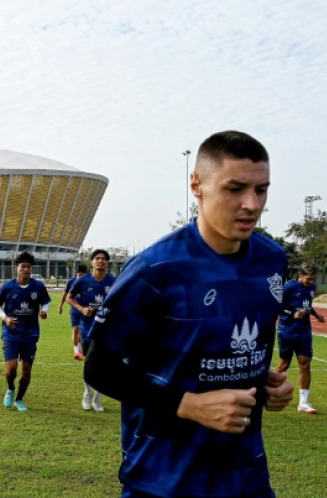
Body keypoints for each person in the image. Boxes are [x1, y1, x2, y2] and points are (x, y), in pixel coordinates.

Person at [84, 130, 294, 498]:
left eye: (261, 190)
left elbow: (240, 348)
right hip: (162, 478)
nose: (252, 204)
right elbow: (99, 367)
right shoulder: (156, 268)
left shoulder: (271, 260)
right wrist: (188, 404)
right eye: (235, 188)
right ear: (197, 185)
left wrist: (266, 383)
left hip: (245, 476)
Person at [0, 251, 51, 412]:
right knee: (11, 368)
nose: (26, 269)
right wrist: (5, 318)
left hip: (30, 333)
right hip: (11, 333)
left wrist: (44, 311)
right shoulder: (7, 287)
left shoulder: (38, 286)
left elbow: (45, 302)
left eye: (29, 267)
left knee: (26, 369)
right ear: (16, 268)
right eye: (23, 266)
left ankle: (19, 399)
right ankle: (10, 388)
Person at [65, 249, 115, 412]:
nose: (100, 261)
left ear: (107, 263)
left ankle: (97, 399)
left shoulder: (113, 281)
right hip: (87, 329)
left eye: (103, 259)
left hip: (106, 330)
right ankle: (87, 393)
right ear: (92, 262)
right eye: (97, 258)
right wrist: (81, 309)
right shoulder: (83, 281)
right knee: (89, 364)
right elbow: (69, 298)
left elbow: (121, 301)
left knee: (102, 365)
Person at [275, 262, 325, 414]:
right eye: (309, 279)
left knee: (305, 364)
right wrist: (292, 314)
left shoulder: (312, 287)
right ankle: (263, 390)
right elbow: (277, 305)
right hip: (287, 330)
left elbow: (307, 304)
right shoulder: (289, 287)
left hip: (304, 331)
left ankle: (303, 402)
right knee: (284, 365)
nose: (312, 282)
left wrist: (315, 315)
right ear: (300, 275)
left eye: (314, 279)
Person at [58, 264, 88, 359]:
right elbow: (65, 294)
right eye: (79, 275)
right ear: (76, 273)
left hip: (85, 310)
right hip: (74, 309)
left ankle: (79, 348)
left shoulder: (88, 282)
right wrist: (60, 305)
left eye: (83, 275)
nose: (81, 277)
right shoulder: (71, 282)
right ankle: (76, 351)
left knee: (82, 331)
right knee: (76, 329)